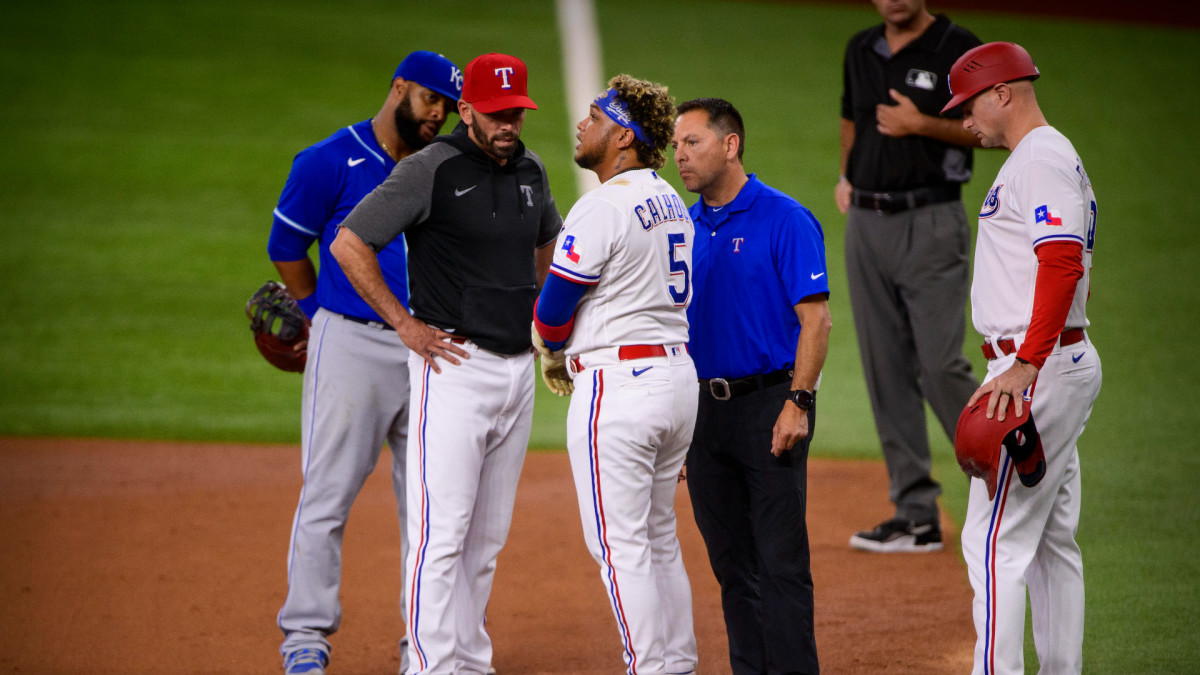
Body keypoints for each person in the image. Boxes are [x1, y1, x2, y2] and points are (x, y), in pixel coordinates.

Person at [330, 52, 561, 675]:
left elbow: (548, 250)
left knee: (485, 543)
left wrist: (543, 323)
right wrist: (404, 324)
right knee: (442, 535)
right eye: (496, 113)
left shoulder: (533, 171)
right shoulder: (429, 170)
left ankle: (470, 661)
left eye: (516, 111)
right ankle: (430, 666)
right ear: (467, 110)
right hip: (453, 370)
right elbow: (350, 243)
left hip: (517, 374)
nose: (508, 123)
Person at [269, 51, 462, 675]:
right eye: (430, 99)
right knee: (326, 495)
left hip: (432, 352)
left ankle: (423, 645)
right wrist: (315, 315)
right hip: (352, 345)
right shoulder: (329, 160)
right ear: (399, 88)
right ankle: (305, 637)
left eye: (448, 106)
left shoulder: (446, 169)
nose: (439, 114)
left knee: (428, 507)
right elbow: (286, 247)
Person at [943, 41, 1101, 675]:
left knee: (992, 541)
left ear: (1002, 92)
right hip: (1055, 360)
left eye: (969, 105)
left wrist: (1027, 363)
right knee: (1052, 541)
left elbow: (1060, 263)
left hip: (1035, 368)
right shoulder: (1046, 157)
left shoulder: (1039, 159)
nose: (963, 122)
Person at [533, 75, 698, 675]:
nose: (583, 124)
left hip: (621, 391)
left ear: (623, 136)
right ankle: (677, 665)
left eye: (597, 116)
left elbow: (554, 306)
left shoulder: (601, 204)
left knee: (620, 548)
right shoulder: (670, 199)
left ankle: (651, 669)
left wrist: (552, 349)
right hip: (677, 382)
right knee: (657, 539)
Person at [674, 98, 831, 675]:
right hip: (702, 416)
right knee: (732, 567)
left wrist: (798, 401)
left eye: (692, 142)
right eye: (675, 145)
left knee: (782, 564)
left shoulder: (784, 217)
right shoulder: (684, 226)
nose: (679, 156)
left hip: (771, 405)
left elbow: (816, 320)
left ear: (731, 144)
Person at [839, 0, 985, 553]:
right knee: (884, 366)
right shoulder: (860, 47)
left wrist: (919, 123)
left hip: (931, 220)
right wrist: (845, 176)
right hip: (866, 222)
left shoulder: (957, 47)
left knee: (941, 364)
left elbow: (987, 128)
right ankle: (916, 512)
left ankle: (1002, 478)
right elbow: (851, 116)